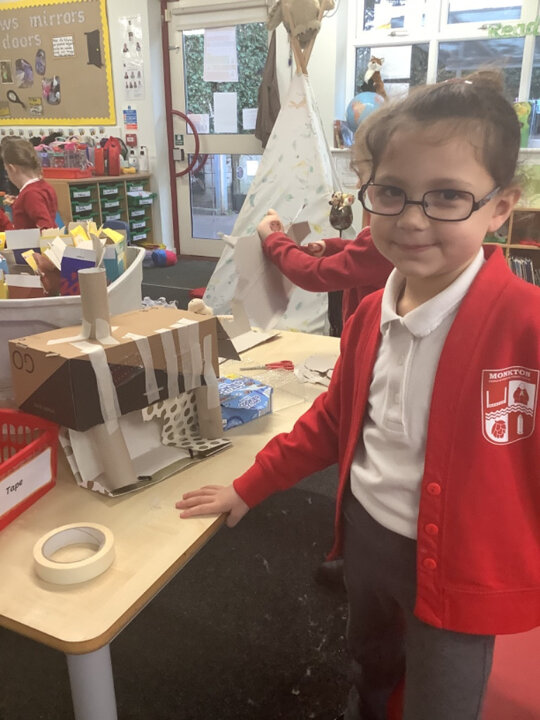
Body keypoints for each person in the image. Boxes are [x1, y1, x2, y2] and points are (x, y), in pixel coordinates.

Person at [175, 70, 540, 720]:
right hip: (367, 538)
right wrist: (247, 487)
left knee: (442, 697)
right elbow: (332, 420)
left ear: (500, 207)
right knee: (369, 660)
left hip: (464, 565)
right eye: (391, 192)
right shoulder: (371, 313)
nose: (412, 220)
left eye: (448, 196)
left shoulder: (526, 327)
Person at [257, 209, 393, 332]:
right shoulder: (394, 237)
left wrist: (274, 240)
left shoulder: (386, 240)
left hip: (370, 336)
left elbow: (312, 273)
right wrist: (331, 247)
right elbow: (364, 252)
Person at [0, 137, 58, 230]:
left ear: (11, 168)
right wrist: (18, 203)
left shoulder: (30, 194)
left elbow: (46, 226)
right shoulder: (45, 187)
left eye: (7, 171)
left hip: (30, 240)